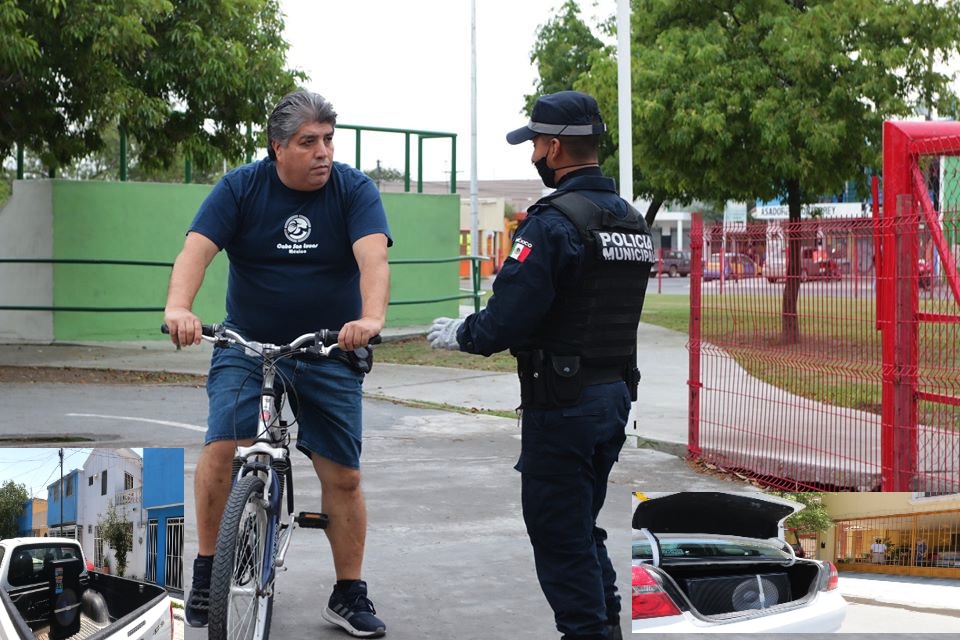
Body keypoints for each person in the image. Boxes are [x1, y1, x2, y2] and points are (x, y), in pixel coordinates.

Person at [163, 89, 391, 638]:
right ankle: (208, 570)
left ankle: (348, 593)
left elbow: (373, 259)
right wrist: (179, 308)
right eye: (308, 142)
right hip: (248, 343)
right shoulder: (241, 187)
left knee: (344, 476)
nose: (323, 152)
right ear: (277, 147)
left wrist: (369, 319)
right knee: (222, 448)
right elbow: (196, 250)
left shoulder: (354, 190)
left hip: (328, 347)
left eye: (328, 140)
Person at [428, 90, 654, 640]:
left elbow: (507, 319)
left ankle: (587, 630)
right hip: (612, 398)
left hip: (563, 405)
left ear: (554, 147)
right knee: (580, 527)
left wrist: (462, 333)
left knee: (559, 534)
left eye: (534, 144)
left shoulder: (551, 223)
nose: (532, 155)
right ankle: (603, 625)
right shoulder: (630, 221)